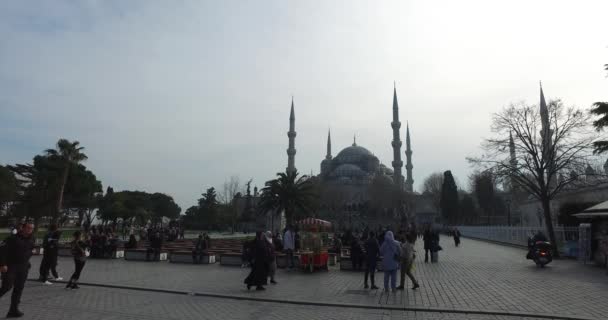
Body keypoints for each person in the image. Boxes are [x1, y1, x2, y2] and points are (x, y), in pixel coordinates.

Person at [0, 221, 35, 318]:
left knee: (18, 289)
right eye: (28, 228)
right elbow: (2, 251)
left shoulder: (32, 238)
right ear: (22, 228)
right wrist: (2, 264)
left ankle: (13, 310)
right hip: (11, 267)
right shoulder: (12, 238)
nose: (30, 230)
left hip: (23, 268)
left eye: (31, 228)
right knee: (6, 287)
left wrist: (28, 259)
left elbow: (31, 249)